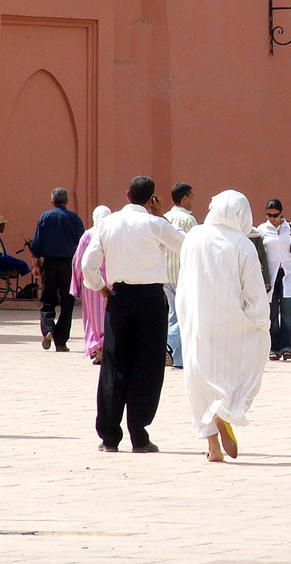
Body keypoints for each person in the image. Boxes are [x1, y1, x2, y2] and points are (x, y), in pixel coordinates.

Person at [82, 175, 185, 453]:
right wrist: (161, 215)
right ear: (152, 198)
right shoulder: (155, 224)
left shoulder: (107, 224)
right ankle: (139, 435)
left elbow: (87, 265)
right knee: (148, 366)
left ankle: (109, 437)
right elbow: (185, 244)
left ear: (127, 194)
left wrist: (103, 290)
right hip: (151, 300)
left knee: (114, 364)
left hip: (120, 298)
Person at [177, 190, 271, 462]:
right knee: (236, 376)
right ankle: (224, 411)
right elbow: (254, 293)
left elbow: (184, 281)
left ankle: (213, 448)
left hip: (197, 321)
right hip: (231, 323)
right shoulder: (243, 244)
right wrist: (260, 323)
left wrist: (184, 315)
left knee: (199, 382)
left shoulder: (194, 236)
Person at [30, 187, 85, 353]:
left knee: (47, 300)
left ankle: (48, 329)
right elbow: (81, 242)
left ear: (52, 201)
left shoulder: (45, 217)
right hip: (68, 264)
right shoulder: (74, 218)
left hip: (50, 263)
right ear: (67, 201)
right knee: (67, 303)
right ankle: (61, 341)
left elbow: (37, 242)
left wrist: (35, 264)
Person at [257, 199, 291, 361]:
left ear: (281, 213)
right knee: (272, 312)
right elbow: (257, 250)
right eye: (268, 215)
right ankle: (274, 348)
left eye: (275, 215)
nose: (272, 218)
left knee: (287, 311)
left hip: (287, 273)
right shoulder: (262, 229)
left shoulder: (290, 227)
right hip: (270, 275)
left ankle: (287, 347)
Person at [70, 205, 112, 364]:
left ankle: (98, 348)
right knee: (110, 315)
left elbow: (78, 261)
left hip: (91, 282)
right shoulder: (112, 234)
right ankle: (104, 347)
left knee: (93, 319)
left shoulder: (88, 235)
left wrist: (77, 284)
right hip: (110, 280)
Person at [164, 182, 197, 369]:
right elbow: (195, 246)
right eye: (191, 197)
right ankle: (168, 339)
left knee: (174, 315)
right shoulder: (188, 220)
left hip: (165, 275)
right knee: (187, 315)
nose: (192, 201)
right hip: (183, 275)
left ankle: (177, 359)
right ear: (184, 198)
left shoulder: (165, 217)